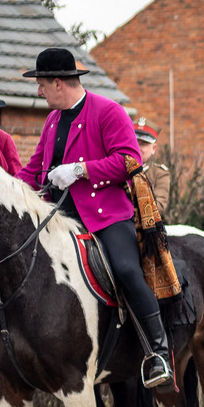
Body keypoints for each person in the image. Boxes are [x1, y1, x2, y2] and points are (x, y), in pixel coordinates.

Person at [17, 47, 173, 388]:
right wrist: (6, 188)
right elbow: (33, 170)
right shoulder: (53, 121)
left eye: (41, 84)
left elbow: (130, 161)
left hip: (105, 216)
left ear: (58, 83)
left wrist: (81, 170)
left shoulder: (109, 111)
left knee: (126, 270)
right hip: (58, 217)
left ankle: (157, 352)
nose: (38, 91)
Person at [134, 119, 170, 207]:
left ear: (153, 148)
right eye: (134, 142)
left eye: (143, 144)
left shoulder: (159, 174)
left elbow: (159, 206)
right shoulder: (117, 169)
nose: (137, 148)